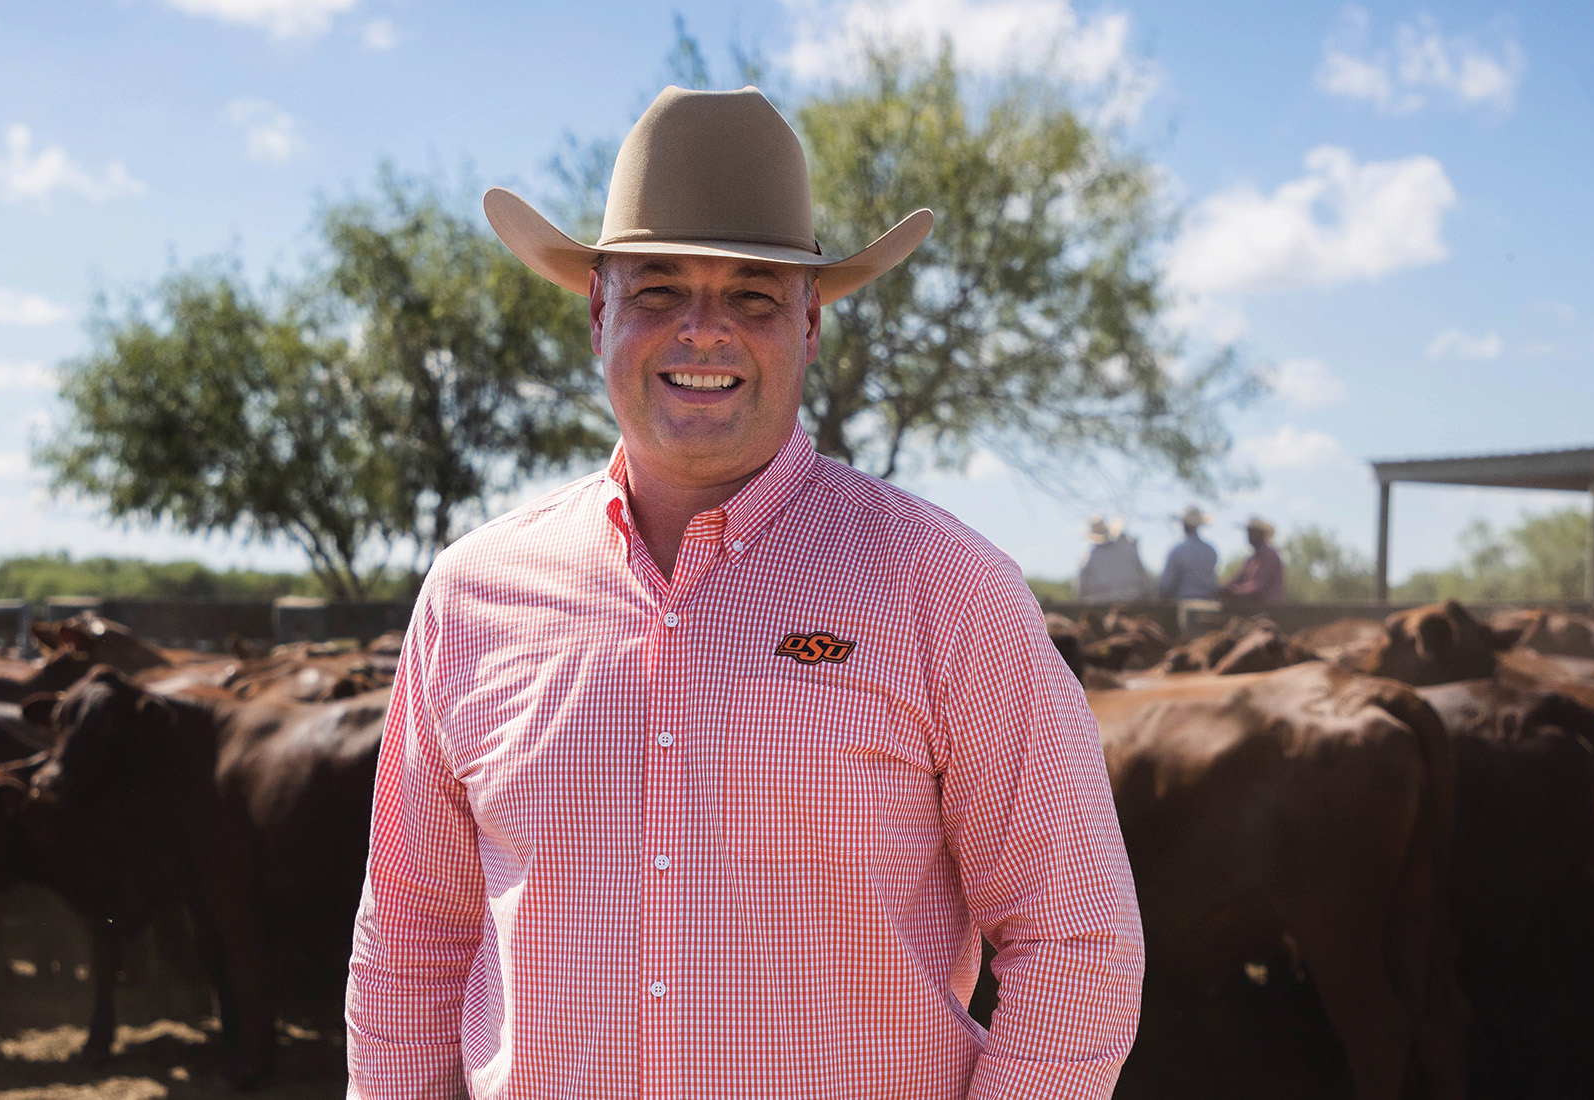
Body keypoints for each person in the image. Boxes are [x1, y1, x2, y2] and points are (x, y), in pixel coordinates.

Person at [347, 87, 1143, 1100]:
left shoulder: (945, 588)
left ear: (809, 323)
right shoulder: (471, 594)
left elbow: (1076, 937)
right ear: (598, 313)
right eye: (657, 291)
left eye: (754, 297)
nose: (702, 331)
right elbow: (413, 939)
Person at [1077, 515, 1153, 603]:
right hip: (1133, 603)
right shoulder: (1129, 550)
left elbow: (1080, 591)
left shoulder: (1087, 557)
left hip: (1100, 607)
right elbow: (1145, 583)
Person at [1153, 506, 1220, 600]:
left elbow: (1166, 585)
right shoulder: (1210, 550)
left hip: (1182, 602)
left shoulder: (1178, 550)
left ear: (1184, 525)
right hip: (1208, 600)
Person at [1220, 516, 1286, 605]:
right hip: (1253, 605)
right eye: (1249, 532)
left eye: (1253, 533)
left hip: (1269, 607)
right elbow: (1238, 578)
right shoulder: (1252, 558)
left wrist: (1235, 590)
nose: (1249, 536)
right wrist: (1224, 588)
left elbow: (1258, 586)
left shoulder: (1269, 555)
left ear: (1261, 534)